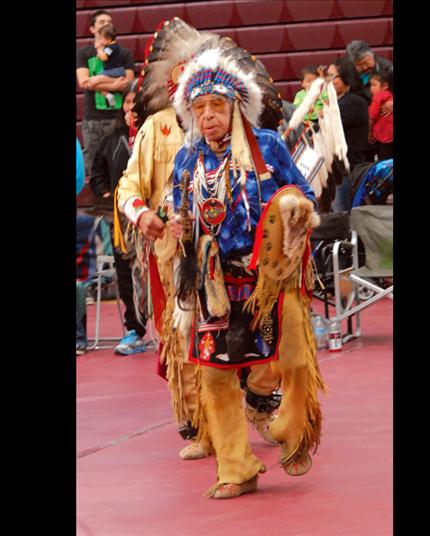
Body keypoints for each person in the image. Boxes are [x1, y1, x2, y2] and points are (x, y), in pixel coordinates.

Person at [116, 19, 284, 460]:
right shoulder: (158, 130)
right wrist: (145, 215)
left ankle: (260, 404)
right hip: (179, 256)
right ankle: (203, 428)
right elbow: (128, 188)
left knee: (257, 331)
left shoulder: (245, 137)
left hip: (236, 253)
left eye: (214, 102)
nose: (206, 112)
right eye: (196, 99)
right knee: (189, 342)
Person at [169, 43, 326, 499]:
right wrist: (175, 223)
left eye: (216, 105)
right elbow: (178, 209)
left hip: (270, 277)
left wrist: (294, 207)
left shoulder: (268, 147)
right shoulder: (187, 160)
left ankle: (293, 430)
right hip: (216, 283)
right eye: (199, 108)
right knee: (216, 376)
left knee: (292, 359)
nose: (208, 116)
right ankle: (236, 467)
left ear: (236, 107)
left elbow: (304, 196)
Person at [89, 80, 148, 355]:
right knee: (126, 275)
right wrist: (104, 193)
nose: (131, 108)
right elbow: (97, 171)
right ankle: (134, 330)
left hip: (153, 220)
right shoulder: (112, 140)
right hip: (122, 221)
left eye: (135, 103)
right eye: (127, 103)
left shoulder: (155, 136)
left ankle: (170, 328)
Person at [76, 10, 135, 174]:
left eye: (109, 21)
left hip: (118, 119)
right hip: (94, 121)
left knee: (122, 167)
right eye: (101, 22)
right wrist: (115, 84)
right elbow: (83, 82)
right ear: (92, 29)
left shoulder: (123, 53)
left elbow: (128, 84)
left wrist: (99, 82)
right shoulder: (83, 53)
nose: (106, 24)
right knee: (94, 169)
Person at [326, 57, 369, 212]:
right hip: (336, 169)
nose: (329, 80)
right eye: (328, 76)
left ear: (346, 77)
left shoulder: (354, 102)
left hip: (347, 170)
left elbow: (327, 125)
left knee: (342, 216)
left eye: (334, 76)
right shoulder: (338, 100)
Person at [346, 39, 393, 111]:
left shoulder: (388, 69)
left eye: (366, 62)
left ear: (372, 55)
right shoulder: (350, 69)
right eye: (359, 65)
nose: (364, 67)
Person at [93, 24, 126, 108]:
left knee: (95, 81)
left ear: (108, 39)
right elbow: (100, 56)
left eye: (101, 38)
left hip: (114, 70)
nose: (99, 40)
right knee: (96, 84)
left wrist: (99, 49)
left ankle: (112, 87)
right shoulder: (109, 47)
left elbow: (104, 58)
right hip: (110, 70)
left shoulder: (111, 47)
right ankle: (109, 95)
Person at [368, 70, 393, 161]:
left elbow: (371, 117)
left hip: (384, 136)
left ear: (385, 86)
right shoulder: (390, 95)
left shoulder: (378, 97)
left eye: (374, 85)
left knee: (384, 161)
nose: (371, 88)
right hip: (389, 135)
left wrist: (369, 132)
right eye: (370, 85)